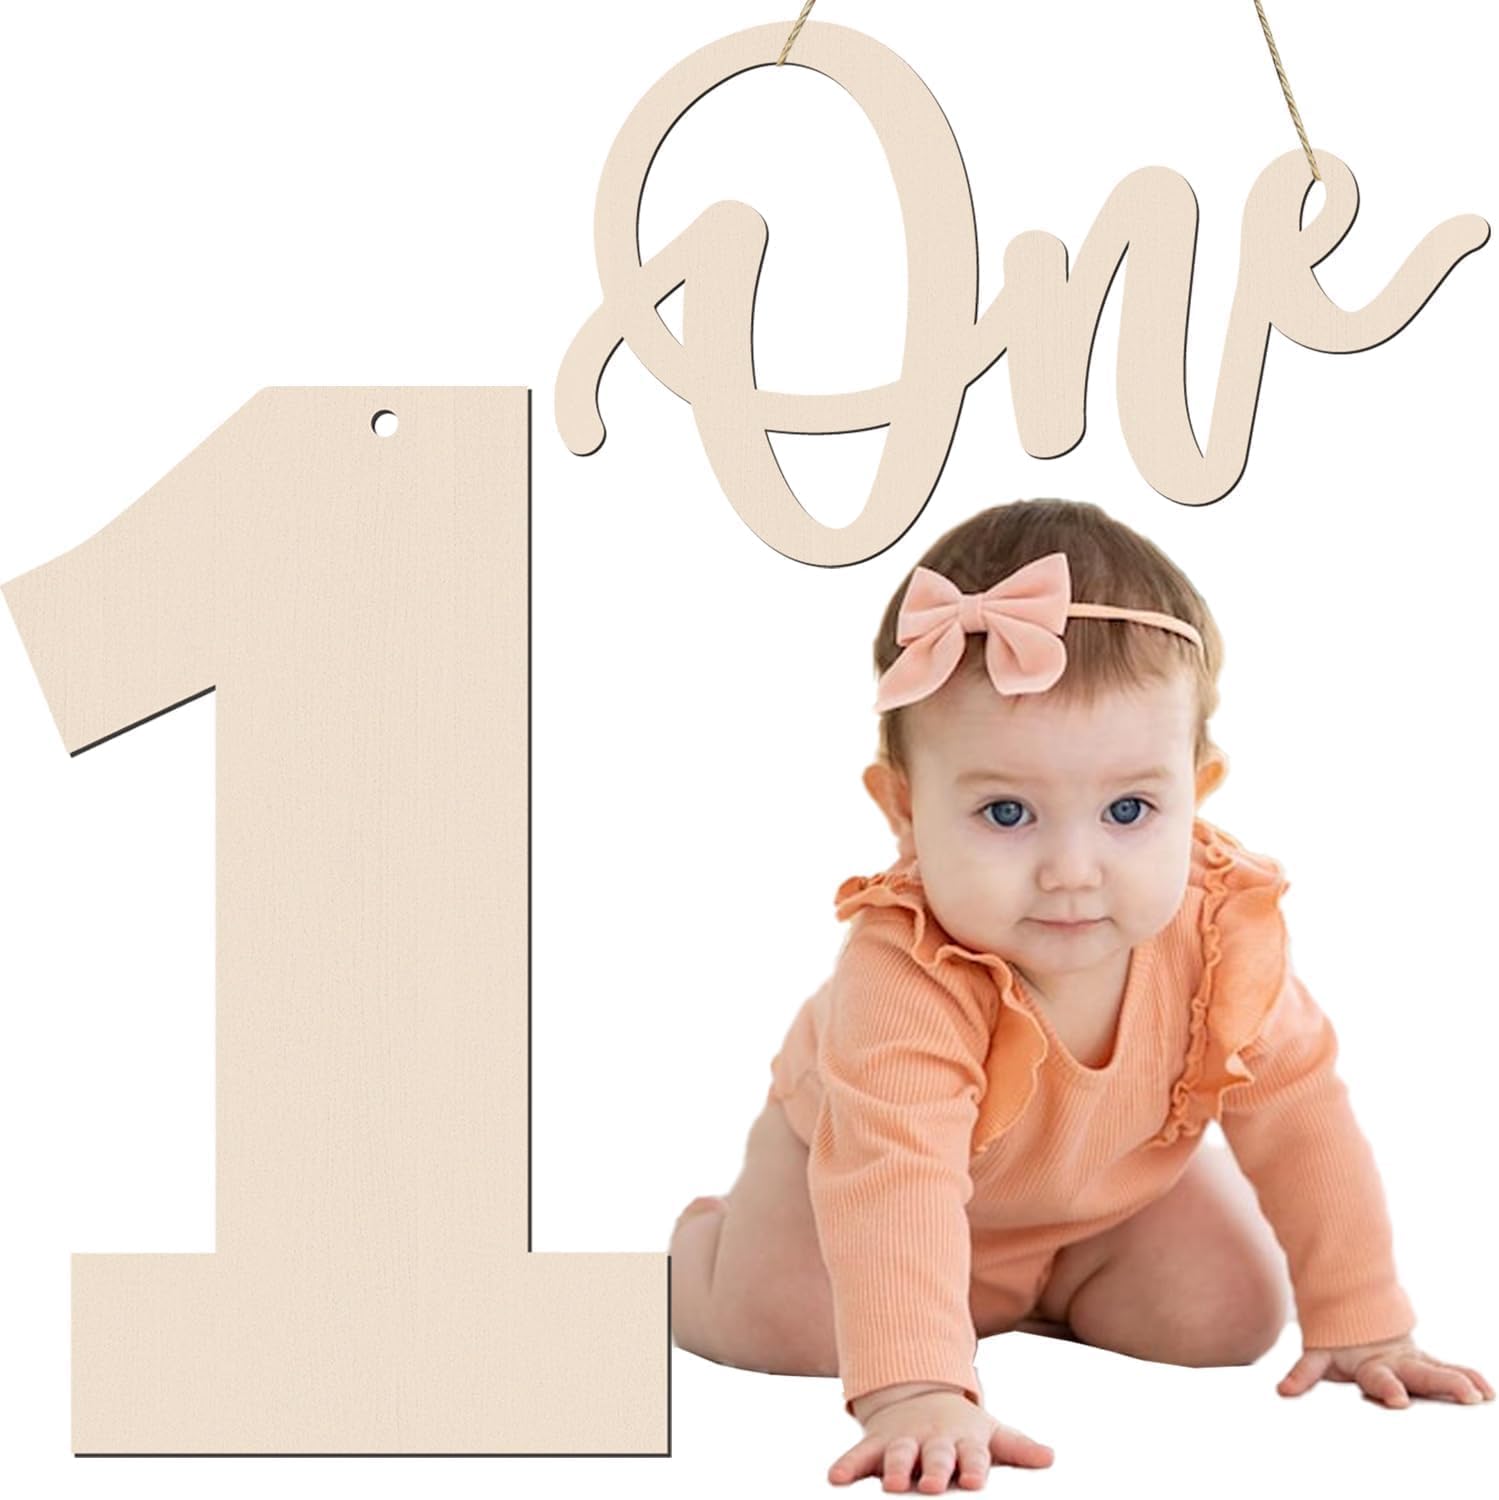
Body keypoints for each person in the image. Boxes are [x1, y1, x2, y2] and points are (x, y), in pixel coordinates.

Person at [667, 498, 1494, 1492]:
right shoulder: (907, 974)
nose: (1071, 868)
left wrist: (1363, 1317)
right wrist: (917, 1388)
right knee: (791, 1329)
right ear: (904, 812)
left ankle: (1030, 1292)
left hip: (1095, 1201)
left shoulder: (1218, 940)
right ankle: (697, 1264)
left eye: (1128, 810)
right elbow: (894, 1175)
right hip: (846, 1195)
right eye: (1005, 811)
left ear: (1197, 793)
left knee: (1227, 1315)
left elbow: (1298, 1112)